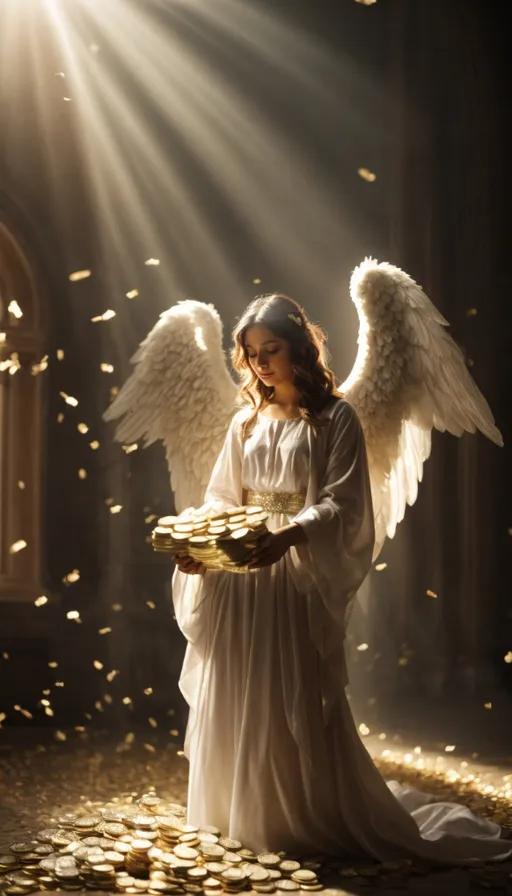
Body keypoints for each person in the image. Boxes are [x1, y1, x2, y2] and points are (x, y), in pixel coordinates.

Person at [171, 293, 511, 864]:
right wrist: (203, 548)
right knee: (235, 686)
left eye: (270, 350)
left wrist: (289, 535)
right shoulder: (245, 423)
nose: (260, 364)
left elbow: (344, 503)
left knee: (288, 693)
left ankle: (295, 815)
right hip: (243, 578)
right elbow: (220, 497)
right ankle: (236, 813)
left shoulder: (336, 419)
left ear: (300, 346)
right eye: (251, 354)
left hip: (293, 574)